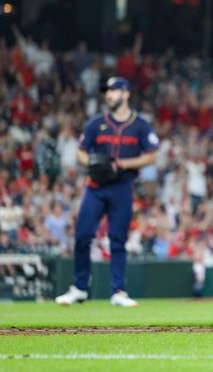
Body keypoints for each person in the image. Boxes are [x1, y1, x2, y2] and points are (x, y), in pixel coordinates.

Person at [55, 76, 159, 307]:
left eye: (113, 90)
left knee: (117, 240)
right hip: (96, 186)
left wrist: (123, 164)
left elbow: (151, 155)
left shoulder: (140, 125)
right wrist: (93, 162)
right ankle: (80, 288)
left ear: (126, 93)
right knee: (82, 235)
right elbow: (81, 152)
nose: (109, 95)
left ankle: (118, 291)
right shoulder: (95, 123)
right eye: (107, 91)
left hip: (122, 186)